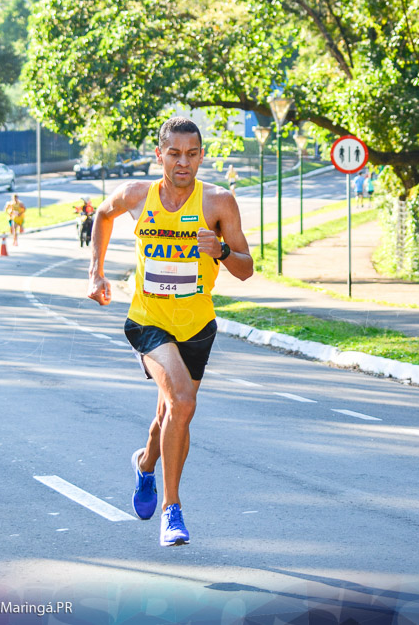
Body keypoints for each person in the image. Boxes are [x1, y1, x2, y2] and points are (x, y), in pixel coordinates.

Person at [87, 117, 253, 547]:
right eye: (174, 153)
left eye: (192, 154)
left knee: (170, 413)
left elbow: (247, 270)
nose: (184, 162)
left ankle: (144, 465)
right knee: (182, 399)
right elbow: (102, 216)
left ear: (202, 155)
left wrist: (222, 250)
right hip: (147, 319)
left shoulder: (219, 203)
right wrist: (96, 273)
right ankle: (172, 510)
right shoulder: (137, 196)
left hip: (197, 325)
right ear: (159, 155)